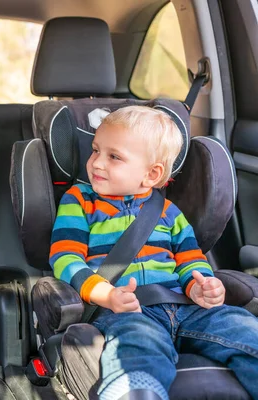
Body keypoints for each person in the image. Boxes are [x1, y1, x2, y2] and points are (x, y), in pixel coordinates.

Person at [47, 106, 258, 399]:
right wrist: (104, 294)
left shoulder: (169, 213)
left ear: (152, 174)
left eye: (114, 156)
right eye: (95, 150)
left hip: (186, 307)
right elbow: (65, 258)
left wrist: (201, 285)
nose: (96, 163)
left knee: (243, 327)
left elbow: (190, 258)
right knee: (139, 344)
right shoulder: (80, 201)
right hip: (125, 309)